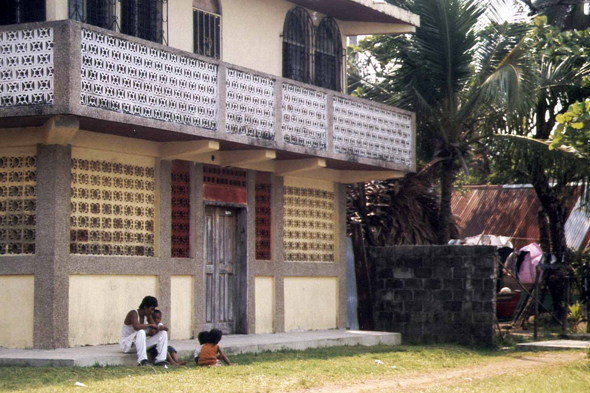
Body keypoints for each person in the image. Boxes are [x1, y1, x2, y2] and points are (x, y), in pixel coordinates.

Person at [119, 296, 169, 366]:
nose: (152, 312)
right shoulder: (133, 313)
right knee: (141, 331)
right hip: (127, 344)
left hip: (139, 345)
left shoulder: (148, 315)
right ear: (145, 307)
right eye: (151, 309)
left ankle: (160, 361)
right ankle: (142, 361)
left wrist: (155, 329)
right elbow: (136, 327)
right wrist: (150, 325)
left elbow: (154, 329)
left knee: (163, 333)